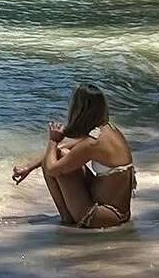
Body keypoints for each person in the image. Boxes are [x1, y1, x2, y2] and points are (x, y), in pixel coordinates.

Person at [12, 83, 136, 229]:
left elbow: (52, 169)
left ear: (80, 110)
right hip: (117, 214)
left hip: (98, 217)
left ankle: (66, 218)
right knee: (60, 154)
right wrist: (29, 167)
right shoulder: (108, 130)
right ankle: (69, 217)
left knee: (55, 161)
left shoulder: (94, 143)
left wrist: (52, 141)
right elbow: (64, 148)